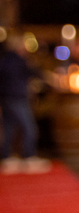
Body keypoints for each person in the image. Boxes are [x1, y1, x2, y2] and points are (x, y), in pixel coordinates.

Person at [0, 34, 50, 173]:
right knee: (30, 127)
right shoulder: (20, 60)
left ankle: (6, 158)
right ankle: (29, 156)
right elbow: (35, 72)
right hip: (17, 98)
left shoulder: (4, 60)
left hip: (6, 98)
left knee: (8, 128)